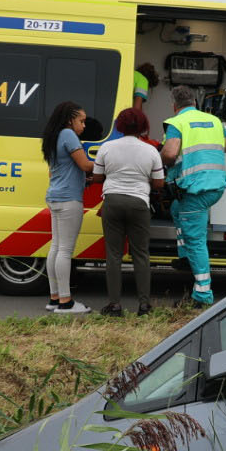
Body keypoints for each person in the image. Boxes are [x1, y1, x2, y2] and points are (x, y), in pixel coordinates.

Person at [160, 85, 226, 306]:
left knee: (197, 241)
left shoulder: (176, 123)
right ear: (195, 102)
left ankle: (202, 295)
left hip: (195, 190)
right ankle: (185, 257)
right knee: (176, 208)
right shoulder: (213, 120)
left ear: (175, 106)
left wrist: (160, 158)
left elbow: (171, 152)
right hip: (216, 186)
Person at [92, 107, 165, 317]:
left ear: (120, 126)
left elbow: (97, 178)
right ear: (143, 126)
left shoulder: (107, 147)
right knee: (141, 254)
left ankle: (114, 305)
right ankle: (144, 306)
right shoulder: (150, 150)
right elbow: (159, 183)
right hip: (139, 203)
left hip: (112, 202)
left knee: (113, 255)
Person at [40, 101, 96, 314]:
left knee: (55, 247)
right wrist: (107, 160)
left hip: (55, 196)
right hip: (68, 199)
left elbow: (64, 170)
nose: (83, 125)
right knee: (65, 250)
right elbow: (85, 165)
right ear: (69, 120)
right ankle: (66, 302)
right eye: (81, 121)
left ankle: (54, 298)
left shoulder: (54, 136)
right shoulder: (69, 135)